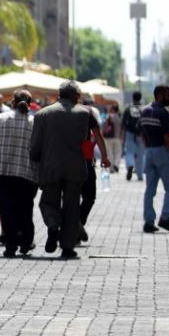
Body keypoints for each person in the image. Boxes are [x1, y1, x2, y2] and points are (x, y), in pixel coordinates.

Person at [30, 81, 109, 259]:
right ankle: (67, 247)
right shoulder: (85, 113)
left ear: (59, 94)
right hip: (76, 167)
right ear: (75, 96)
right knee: (72, 207)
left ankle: (52, 225)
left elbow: (35, 145)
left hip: (51, 166)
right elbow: (93, 138)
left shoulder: (42, 114)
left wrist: (36, 158)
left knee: (48, 202)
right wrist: (103, 157)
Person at [0, 90, 39, 258]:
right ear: (29, 104)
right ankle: (26, 242)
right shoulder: (34, 122)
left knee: (7, 211)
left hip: (3, 173)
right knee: (25, 209)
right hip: (27, 174)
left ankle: (10, 246)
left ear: (12, 102)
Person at [140, 85, 169, 234]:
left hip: (148, 152)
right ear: (160, 95)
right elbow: (166, 139)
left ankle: (149, 222)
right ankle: (165, 217)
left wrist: (148, 148)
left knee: (150, 189)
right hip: (161, 152)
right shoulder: (163, 112)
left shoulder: (144, 111)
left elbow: (142, 134)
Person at [79, 100, 110, 244]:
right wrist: (104, 156)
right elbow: (97, 135)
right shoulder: (87, 112)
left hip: (64, 157)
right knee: (89, 196)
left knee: (69, 197)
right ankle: (78, 223)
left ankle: (74, 225)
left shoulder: (57, 112)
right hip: (84, 156)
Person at [122, 91, 145, 181]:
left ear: (133, 97)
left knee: (129, 152)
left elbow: (123, 122)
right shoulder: (144, 108)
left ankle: (130, 165)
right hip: (142, 134)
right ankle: (140, 175)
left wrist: (123, 134)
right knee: (141, 155)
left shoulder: (128, 108)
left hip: (130, 133)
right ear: (140, 98)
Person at [103, 104, 122, 173]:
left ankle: (111, 168)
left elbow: (105, 126)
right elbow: (122, 128)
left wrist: (103, 133)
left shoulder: (108, 116)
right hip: (117, 137)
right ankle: (116, 164)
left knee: (110, 153)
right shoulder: (120, 117)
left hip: (108, 137)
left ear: (113, 109)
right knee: (118, 152)